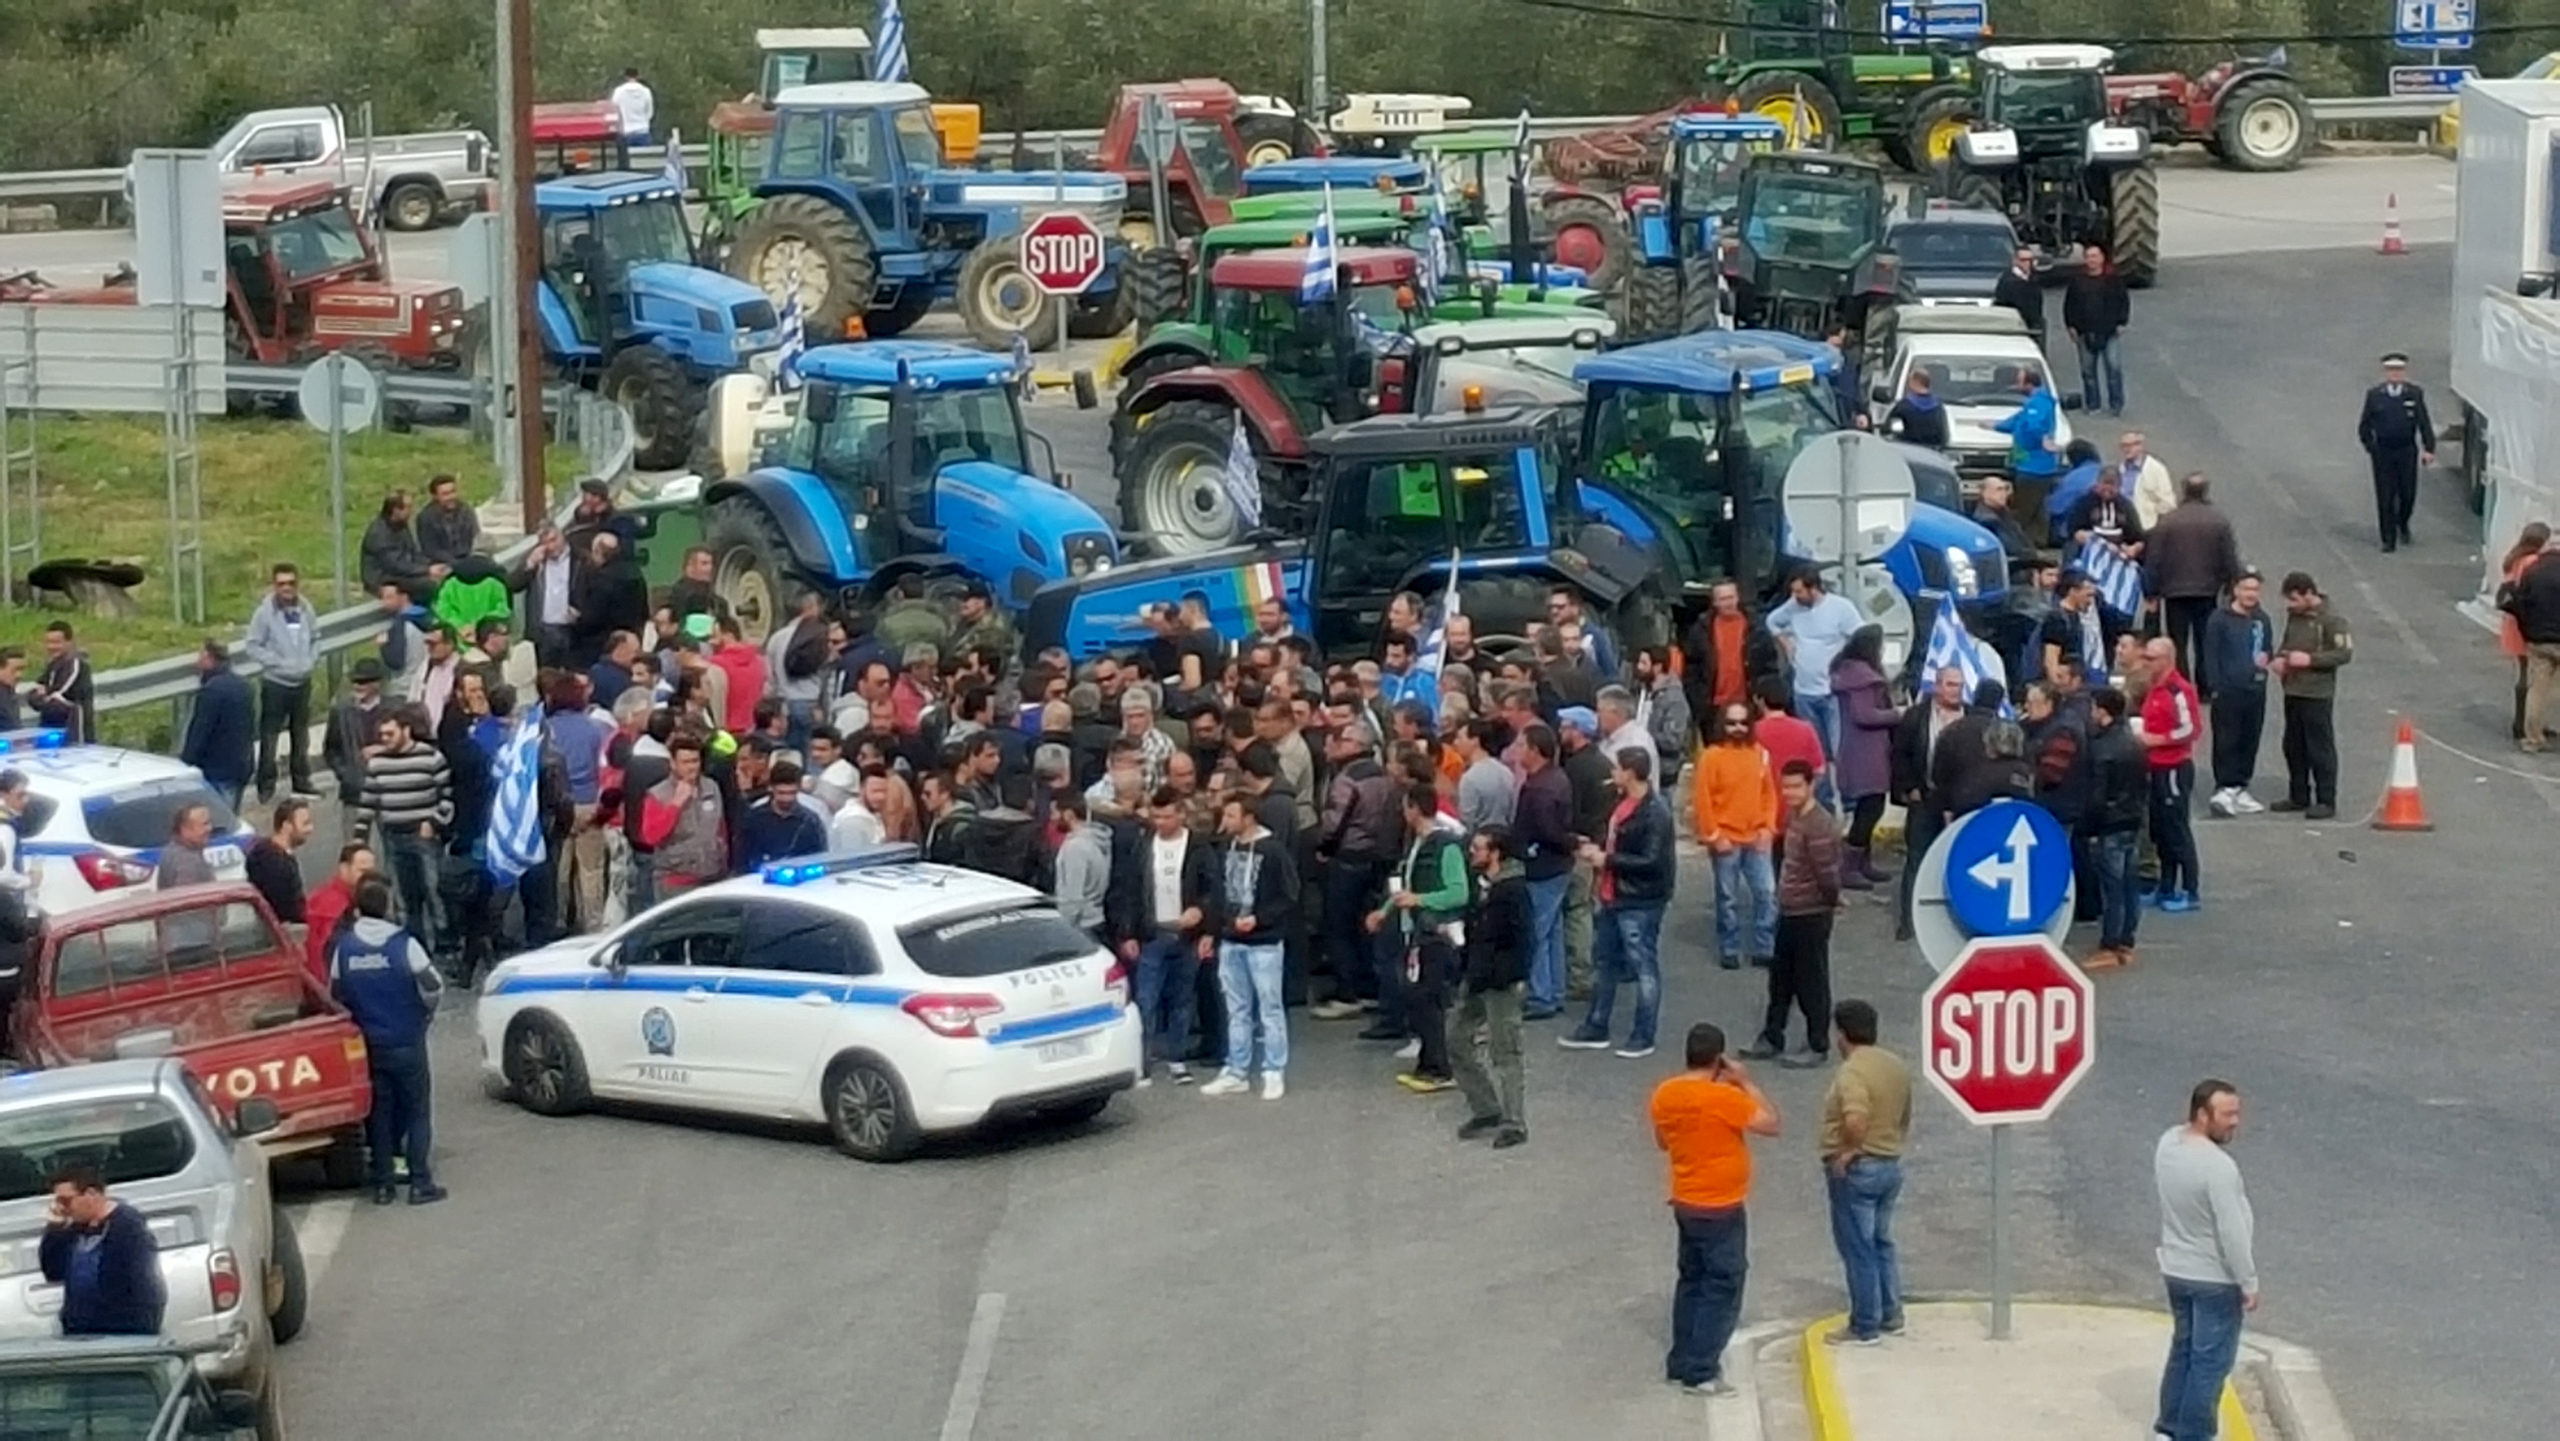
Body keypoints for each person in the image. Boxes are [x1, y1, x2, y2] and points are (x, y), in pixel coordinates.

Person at [1651, 1023, 1781, 1397]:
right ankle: (1701, 1369)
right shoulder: (1725, 1098)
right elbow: (1771, 1123)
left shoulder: (1665, 1094)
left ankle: (1681, 1360)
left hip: (1685, 1199)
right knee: (1722, 1285)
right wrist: (1745, 1082)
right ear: (1719, 1059)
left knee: (1691, 1280)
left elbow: (1663, 1141)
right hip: (1721, 1205)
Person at [329, 874, 447, 1205]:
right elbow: (434, 986)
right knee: (417, 1112)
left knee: (379, 1115)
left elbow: (335, 996)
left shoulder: (346, 949)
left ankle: (383, 1184)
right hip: (407, 1039)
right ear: (387, 907)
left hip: (370, 1046)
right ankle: (420, 1182)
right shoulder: (404, 945)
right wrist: (425, 1013)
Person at [2155, 1079, 2257, 1441]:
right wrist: (2248, 1282)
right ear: (2202, 1115)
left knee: (2183, 1350)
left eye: (2236, 1113)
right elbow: (2232, 1233)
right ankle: (2195, 1435)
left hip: (2176, 1271)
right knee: (2209, 1364)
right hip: (2214, 1279)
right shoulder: (2218, 1167)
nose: (2234, 1122)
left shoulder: (2168, 1144)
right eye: (2227, 1114)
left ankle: (2167, 1430)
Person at [1559, 746, 1673, 1059]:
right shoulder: (1623, 803)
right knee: (1605, 962)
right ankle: (1597, 1025)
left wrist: (1606, 859)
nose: (1611, 774)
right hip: (1613, 894)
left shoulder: (1655, 812)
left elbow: (1651, 860)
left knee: (1643, 965)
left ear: (1630, 772)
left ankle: (1643, 1033)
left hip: (1640, 899)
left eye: (1617, 768)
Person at [1820, 998, 1912, 1346]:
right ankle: (1891, 1312)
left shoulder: (1853, 1071)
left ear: (1842, 1034)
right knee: (1881, 1242)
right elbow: (1904, 1114)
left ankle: (1865, 1323)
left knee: (1858, 1247)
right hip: (1890, 1164)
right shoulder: (1895, 1065)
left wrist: (1847, 1153)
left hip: (1860, 1169)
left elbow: (1855, 1116)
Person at [1201, 792, 1298, 1100]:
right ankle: (1237, 1070)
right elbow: (1217, 894)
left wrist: (1259, 919)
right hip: (1231, 940)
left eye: (1231, 815)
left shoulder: (1273, 851)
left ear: (1249, 817)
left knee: (1270, 1008)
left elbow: (1289, 894)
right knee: (1236, 1008)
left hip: (1264, 943)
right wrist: (1213, 931)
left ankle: (1273, 1070)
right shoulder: (1225, 848)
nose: (1225, 821)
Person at [1376, 782, 1469, 1091]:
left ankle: (1441, 1067)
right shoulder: (1416, 844)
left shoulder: (1447, 846)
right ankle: (1428, 1064)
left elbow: (1458, 892)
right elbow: (1405, 884)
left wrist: (1420, 901)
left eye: (1405, 807)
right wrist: (1386, 909)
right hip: (1414, 930)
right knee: (1418, 999)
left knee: (1430, 1000)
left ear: (1414, 808)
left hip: (1437, 933)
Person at [1126, 787, 1214, 1085]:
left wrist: (1202, 916)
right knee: (1146, 1000)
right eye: (1156, 816)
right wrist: (1128, 933)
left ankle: (1177, 1059)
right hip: (1153, 933)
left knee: (1181, 1000)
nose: (1160, 822)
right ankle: (1142, 1062)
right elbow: (1131, 891)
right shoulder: (1143, 846)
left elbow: (1212, 889)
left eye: (1166, 816)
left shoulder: (1199, 846)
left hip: (1185, 935)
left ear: (1181, 814)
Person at [1452, 824, 1530, 1149]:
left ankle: (1515, 1122)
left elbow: (1522, 941)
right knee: (1456, 1039)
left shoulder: (1511, 892)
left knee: (1506, 1052)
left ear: (1495, 853)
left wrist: (1508, 978)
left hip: (1500, 983)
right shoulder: (1486, 885)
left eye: (1478, 848)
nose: (1472, 852)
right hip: (1477, 977)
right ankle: (1486, 1108)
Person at [1698, 701, 1778, 970]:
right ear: (1723, 724)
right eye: (1732, 723)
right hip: (1726, 840)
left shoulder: (1760, 754)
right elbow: (1702, 801)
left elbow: (1770, 795)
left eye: (1743, 722)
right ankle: (1729, 948)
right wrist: (1714, 835)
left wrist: (1769, 828)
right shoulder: (1711, 756)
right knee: (1727, 898)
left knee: (1766, 894)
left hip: (1757, 838)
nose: (1738, 728)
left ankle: (1764, 947)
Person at [39, 1164, 164, 1335]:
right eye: (58, 1201)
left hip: (123, 1330)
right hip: (80, 1331)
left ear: (91, 1194)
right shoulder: (73, 1230)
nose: (62, 1208)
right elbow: (53, 1272)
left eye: (66, 1201)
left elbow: (145, 1284)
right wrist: (54, 1230)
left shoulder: (128, 1228)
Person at [2143, 474, 2244, 686]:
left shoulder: (2169, 521)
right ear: (2206, 491)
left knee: (2177, 642)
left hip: (2174, 592)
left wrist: (2151, 590)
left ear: (2184, 490)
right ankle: (2205, 685)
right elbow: (2228, 556)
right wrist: (2232, 585)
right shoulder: (2218, 520)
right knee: (2205, 640)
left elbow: (2154, 558)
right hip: (2207, 591)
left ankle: (2181, 683)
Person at [2269, 573, 2352, 815]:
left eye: (2294, 599)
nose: (2290, 605)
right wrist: (2281, 658)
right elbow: (2288, 642)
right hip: (2293, 688)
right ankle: (2298, 795)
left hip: (2317, 692)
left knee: (2319, 747)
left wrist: (2310, 660)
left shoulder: (2331, 619)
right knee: (2293, 745)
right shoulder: (2295, 617)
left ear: (2308, 594)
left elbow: (2343, 653)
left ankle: (2326, 799)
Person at [1512, 723, 1576, 1020]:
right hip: (1559, 866)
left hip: (1543, 867)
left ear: (1535, 750)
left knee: (1537, 932)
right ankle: (1555, 990)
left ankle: (1541, 995)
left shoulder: (1537, 789)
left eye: (1522, 745)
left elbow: (1546, 829)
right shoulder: (1558, 778)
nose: (1517, 750)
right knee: (1553, 930)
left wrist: (1525, 848)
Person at [2134, 639, 2203, 909]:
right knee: (2160, 830)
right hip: (2155, 767)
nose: (2146, 663)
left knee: (2177, 830)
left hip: (2174, 766)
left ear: (2166, 660)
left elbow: (2191, 729)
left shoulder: (2179, 690)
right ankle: (2166, 886)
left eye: (2151, 659)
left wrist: (2157, 739)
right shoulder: (2155, 688)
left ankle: (2190, 889)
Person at [1765, 567, 1863, 756]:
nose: (1795, 596)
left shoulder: (1841, 608)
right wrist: (1784, 642)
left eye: (1799, 591)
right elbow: (1772, 621)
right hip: (1803, 691)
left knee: (1838, 750)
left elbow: (1859, 637)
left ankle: (1839, 784)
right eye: (1793, 592)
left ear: (1814, 589)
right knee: (1814, 751)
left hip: (1832, 692)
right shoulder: (1793, 607)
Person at [2200, 572, 2276, 816]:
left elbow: (2267, 648)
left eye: (2255, 589)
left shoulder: (2262, 619)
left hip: (2255, 688)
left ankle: (2241, 785)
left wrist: (2267, 659)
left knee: (2250, 738)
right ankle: (2225, 786)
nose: (2251, 594)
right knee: (2226, 739)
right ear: (2236, 590)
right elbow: (2210, 654)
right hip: (2228, 690)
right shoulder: (2219, 619)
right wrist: (2215, 686)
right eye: (2246, 588)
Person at [1830, 628, 1899, 889]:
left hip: (1860, 748)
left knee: (1870, 805)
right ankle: (1849, 865)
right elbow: (1865, 715)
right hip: (1866, 751)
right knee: (1870, 807)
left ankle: (1863, 862)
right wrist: (1897, 714)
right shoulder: (1863, 679)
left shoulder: (1849, 673)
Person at [243, 563, 319, 802]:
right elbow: (253, 645)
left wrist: (309, 661)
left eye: (291, 583)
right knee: (269, 737)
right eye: (281, 584)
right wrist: (277, 663)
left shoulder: (306, 609)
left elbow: (316, 638)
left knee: (301, 735)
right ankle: (266, 786)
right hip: (275, 683)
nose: (287, 588)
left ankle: (302, 781)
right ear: (274, 586)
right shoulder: (264, 613)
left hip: (302, 682)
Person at [2084, 686, 2148, 970]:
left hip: (2110, 824)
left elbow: (2097, 797)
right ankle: (2126, 941)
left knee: (2112, 888)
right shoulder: (2133, 742)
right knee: (2129, 884)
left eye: (2094, 708)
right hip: (2132, 819)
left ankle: (2110, 944)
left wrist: (2088, 828)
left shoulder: (2103, 749)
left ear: (2103, 711)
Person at [2356, 352, 2435, 552]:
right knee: (2385, 496)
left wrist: (2429, 448)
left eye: (2399, 370)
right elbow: (2364, 425)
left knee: (2407, 494)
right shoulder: (2375, 395)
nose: (2395, 374)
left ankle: (2403, 522)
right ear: (2385, 372)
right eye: (2391, 370)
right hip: (2383, 452)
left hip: (2406, 450)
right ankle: (2388, 538)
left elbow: (2423, 422)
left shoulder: (2414, 394)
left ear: (2404, 372)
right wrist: (2370, 446)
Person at [1681, 578, 1780, 734]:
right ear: (1714, 602)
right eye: (1723, 599)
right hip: (1713, 707)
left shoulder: (1756, 627)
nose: (1728, 603)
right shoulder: (1701, 630)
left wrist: (1762, 696)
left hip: (1748, 703)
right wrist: (1697, 700)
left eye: (1731, 597)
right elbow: (1691, 667)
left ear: (1738, 597)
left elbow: (1769, 665)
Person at [179, 640, 255, 811]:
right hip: (241, 766)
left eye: (201, 656)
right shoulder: (244, 686)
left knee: (218, 826)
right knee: (231, 820)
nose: (197, 662)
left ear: (209, 658)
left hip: (217, 770)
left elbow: (200, 732)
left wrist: (186, 763)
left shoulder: (211, 691)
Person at [2497, 522, 2556, 741]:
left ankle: (2523, 722)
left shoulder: (2513, 560)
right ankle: (2526, 724)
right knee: (2534, 679)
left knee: (2523, 674)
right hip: (2528, 622)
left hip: (2513, 623)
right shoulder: (2532, 563)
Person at [2062, 244, 2131, 415]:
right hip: (2084, 333)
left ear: (2102, 258)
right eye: (2089, 257)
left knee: (2113, 368)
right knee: (2088, 371)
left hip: (2109, 332)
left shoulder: (2113, 280)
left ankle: (2116, 405)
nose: (2092, 260)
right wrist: (2071, 326)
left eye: (2095, 256)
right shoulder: (2077, 281)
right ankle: (2093, 404)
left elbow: (2124, 301)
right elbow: (2069, 305)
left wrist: (2122, 322)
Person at [733, 761, 829, 874]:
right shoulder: (753, 818)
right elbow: (741, 860)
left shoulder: (811, 821)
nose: (787, 799)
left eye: (791, 793)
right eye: (781, 793)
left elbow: (820, 858)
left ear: (799, 789)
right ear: (771, 788)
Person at [304, 842, 371, 984]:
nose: (369, 878)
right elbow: (319, 951)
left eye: (372, 872)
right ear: (344, 869)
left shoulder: (350, 898)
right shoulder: (332, 905)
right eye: (363, 872)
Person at [1994, 366, 2063, 499]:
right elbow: (2019, 421)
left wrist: (2043, 438)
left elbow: (2034, 426)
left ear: (2029, 384)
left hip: (2033, 467)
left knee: (2025, 509)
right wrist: (1996, 425)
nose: (2017, 385)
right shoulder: (2033, 402)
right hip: (2026, 464)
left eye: (2019, 381)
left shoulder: (2037, 403)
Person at [246, 798, 312, 925]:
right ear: (287, 826)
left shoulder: (266, 852)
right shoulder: (275, 863)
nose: (310, 829)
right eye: (305, 824)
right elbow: (286, 909)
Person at [29, 621, 94, 743]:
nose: (51, 647)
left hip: (74, 731)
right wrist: (39, 697)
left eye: (57, 642)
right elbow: (37, 690)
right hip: (51, 727)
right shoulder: (52, 664)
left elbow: (59, 693)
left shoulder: (76, 664)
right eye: (48, 642)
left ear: (69, 642)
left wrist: (43, 697)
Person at [416, 473, 479, 568]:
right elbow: (431, 550)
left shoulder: (466, 510)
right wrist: (455, 563)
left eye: (453, 492)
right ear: (435, 497)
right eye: (445, 494)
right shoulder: (426, 517)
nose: (451, 497)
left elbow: (475, 536)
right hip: (442, 563)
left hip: (468, 558)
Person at [1881, 368, 1950, 449]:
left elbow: (1888, 432)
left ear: (1914, 382)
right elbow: (1944, 437)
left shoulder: (1903, 407)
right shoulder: (1938, 408)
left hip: (1908, 452)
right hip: (1932, 454)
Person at [1993, 244, 2045, 347]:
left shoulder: (2034, 279)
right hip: (2013, 327)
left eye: (2030, 260)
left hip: (2033, 327)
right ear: (2015, 261)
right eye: (2023, 260)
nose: (2028, 263)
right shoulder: (2008, 281)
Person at [610, 65, 655, 144]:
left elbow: (614, 109)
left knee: (626, 156)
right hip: (643, 131)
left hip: (626, 132)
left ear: (625, 77)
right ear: (637, 76)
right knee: (644, 156)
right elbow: (649, 112)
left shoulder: (619, 91)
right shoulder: (645, 91)